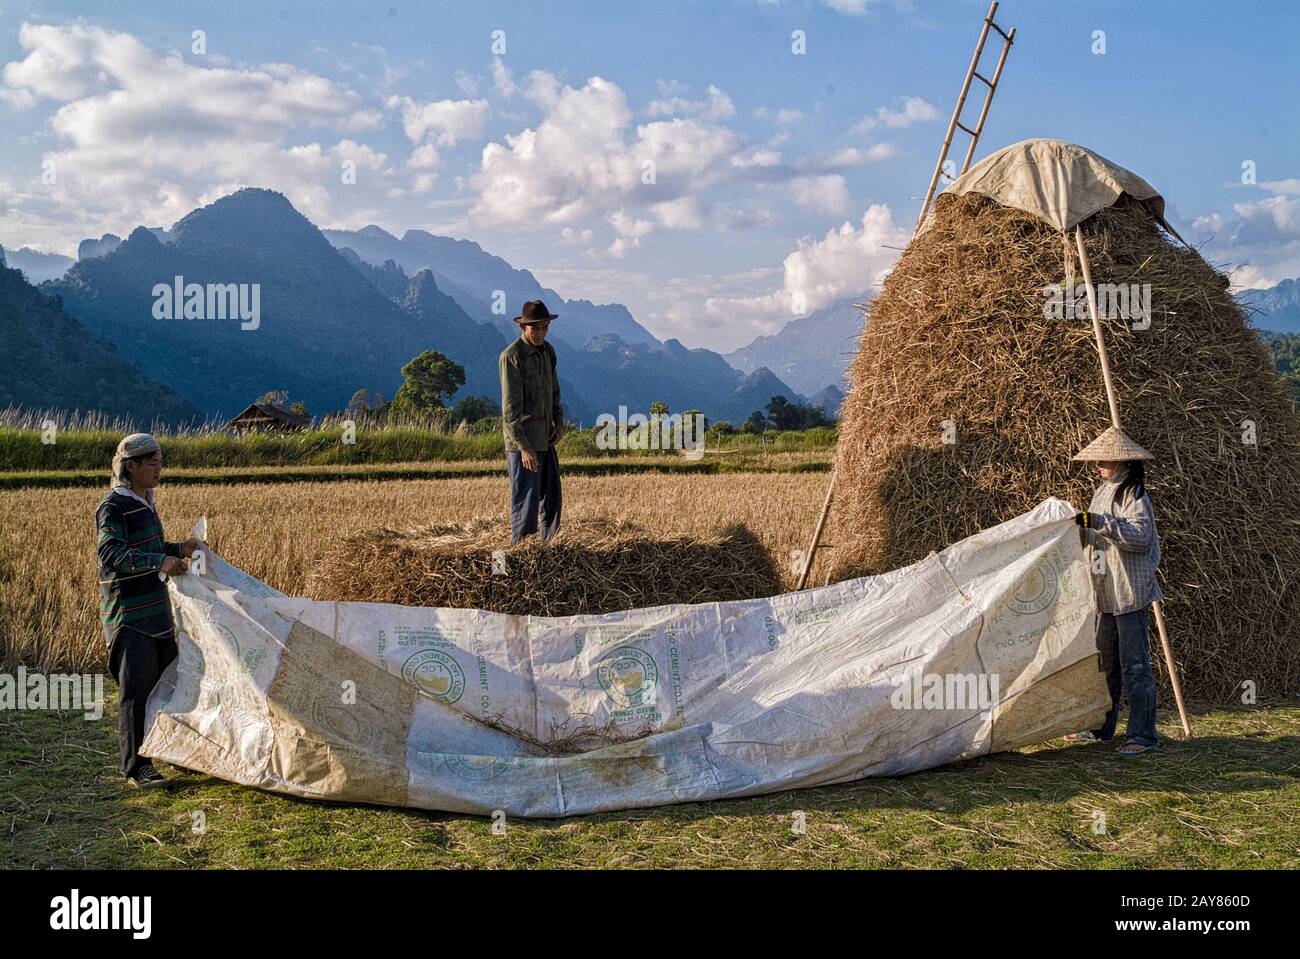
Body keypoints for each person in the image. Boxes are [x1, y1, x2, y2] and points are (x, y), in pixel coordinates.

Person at [96, 433, 199, 786]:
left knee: (169, 686)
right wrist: (160, 560)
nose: (159, 467)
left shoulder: (146, 501)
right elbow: (112, 555)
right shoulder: (114, 507)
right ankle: (137, 767)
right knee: (137, 693)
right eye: (151, 461)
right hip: (129, 614)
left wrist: (178, 549)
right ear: (131, 466)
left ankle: (176, 751)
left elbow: (151, 546)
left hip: (156, 612)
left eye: (159, 460)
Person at [1065, 426, 1162, 756]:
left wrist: (1098, 522)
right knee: (1106, 663)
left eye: (1104, 459)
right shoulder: (1103, 491)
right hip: (1107, 592)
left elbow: (1139, 537)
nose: (1099, 465)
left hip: (1129, 591)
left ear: (1121, 461)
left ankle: (1143, 734)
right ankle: (1100, 728)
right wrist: (1076, 527)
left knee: (1135, 665)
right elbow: (1095, 536)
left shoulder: (1133, 494)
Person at [499, 299, 564, 543]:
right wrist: (523, 447)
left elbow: (554, 392)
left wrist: (558, 424)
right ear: (523, 327)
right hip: (523, 443)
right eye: (535, 328)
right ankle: (523, 554)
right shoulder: (512, 357)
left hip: (546, 438)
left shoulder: (548, 352)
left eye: (544, 328)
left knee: (552, 499)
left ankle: (551, 549)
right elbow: (510, 409)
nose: (540, 333)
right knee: (526, 502)